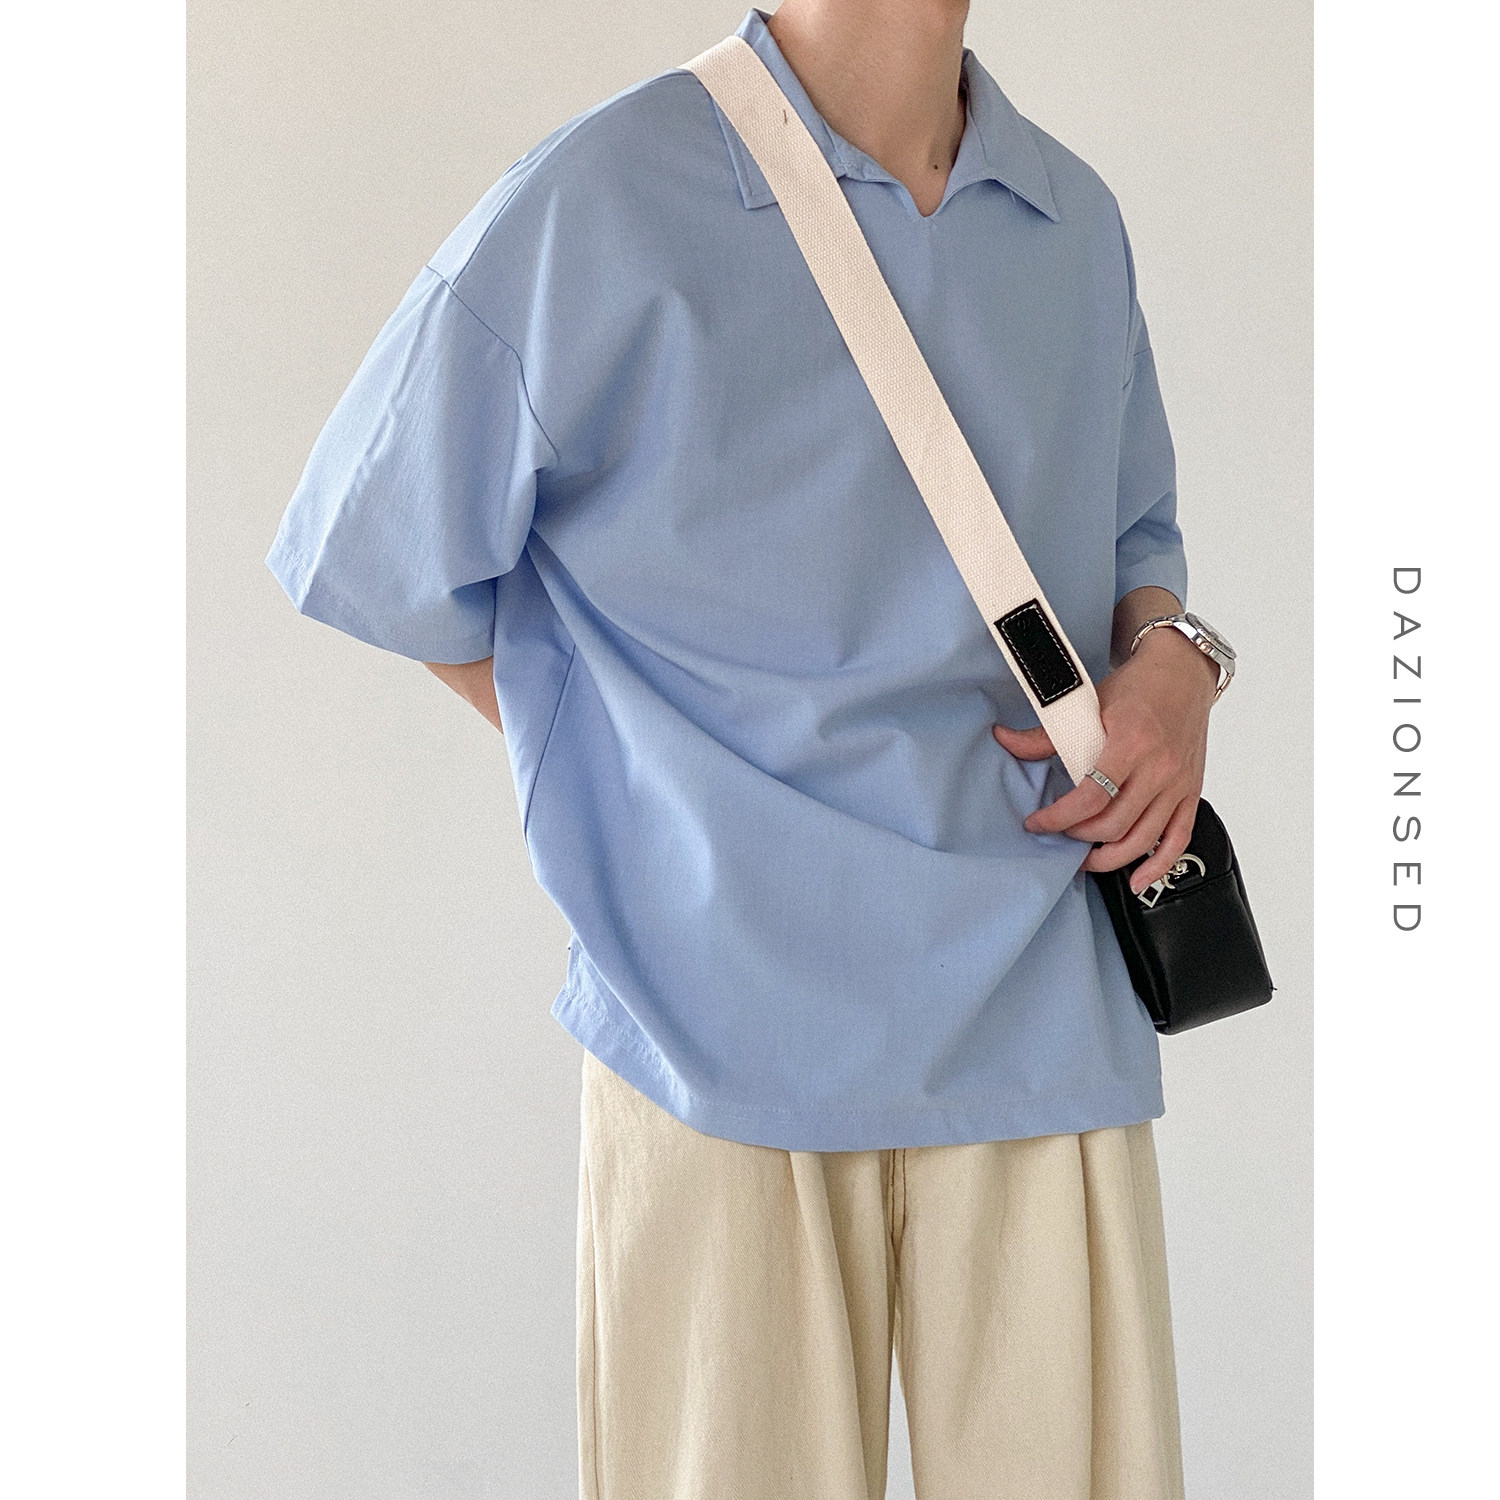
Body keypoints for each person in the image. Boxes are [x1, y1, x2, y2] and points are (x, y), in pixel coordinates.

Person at [268, 2, 1236, 1494]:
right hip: (714, 1029)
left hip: (1042, 1008)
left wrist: (1178, 665)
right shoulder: (601, 198)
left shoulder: (1070, 220)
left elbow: (1136, 545)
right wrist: (664, 783)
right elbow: (373, 544)